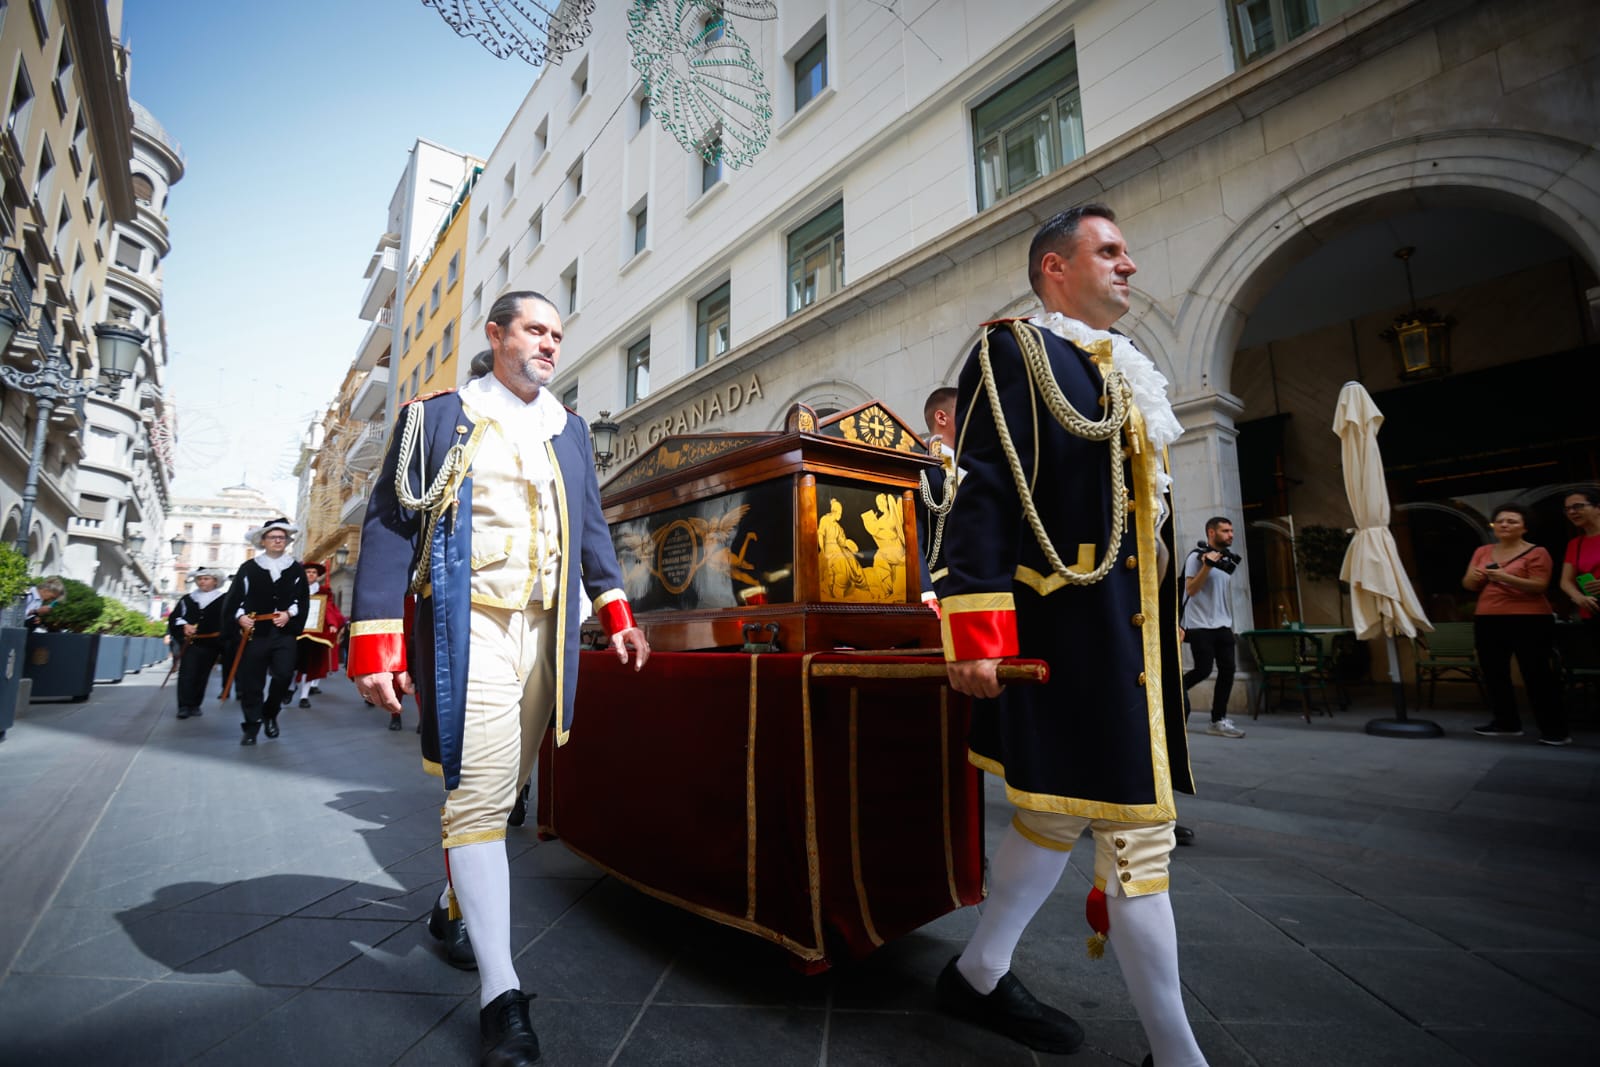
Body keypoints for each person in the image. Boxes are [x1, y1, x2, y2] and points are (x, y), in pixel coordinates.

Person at [349, 291, 650, 1067]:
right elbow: (388, 520)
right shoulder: (438, 416)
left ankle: (453, 910)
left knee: (508, 786)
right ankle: (501, 993)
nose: (550, 343)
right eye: (535, 329)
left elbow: (591, 527)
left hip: (548, 633)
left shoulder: (571, 428)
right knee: (481, 797)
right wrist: (376, 639)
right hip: (469, 623)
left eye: (557, 333)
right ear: (496, 335)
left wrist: (616, 609)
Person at [935, 205, 1205, 1067]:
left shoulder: (1125, 368)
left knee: (1052, 816)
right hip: (1071, 632)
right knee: (1135, 835)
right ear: (1056, 267)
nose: (1129, 264)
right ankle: (1180, 1058)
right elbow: (981, 490)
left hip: (1132, 642)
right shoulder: (1015, 350)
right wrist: (976, 633)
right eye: (1110, 251)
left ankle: (977, 971)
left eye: (1128, 250)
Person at [1463, 503, 1566, 745]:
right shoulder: (1483, 551)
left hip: (1529, 619)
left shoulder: (1537, 552)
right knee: (1494, 673)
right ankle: (1506, 723)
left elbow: (1540, 585)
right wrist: (1474, 577)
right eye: (1499, 521)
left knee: (1537, 673)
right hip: (1488, 618)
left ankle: (1554, 730)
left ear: (1524, 527)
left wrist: (1504, 577)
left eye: (1512, 521)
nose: (1504, 525)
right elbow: (1468, 584)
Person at [223, 519, 310, 746]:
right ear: (263, 541)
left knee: (283, 675)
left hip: (284, 632)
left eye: (281, 537)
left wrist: (289, 615)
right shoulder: (249, 568)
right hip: (256, 632)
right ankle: (251, 726)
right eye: (273, 537)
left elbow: (302, 600)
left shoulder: (295, 568)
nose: (278, 541)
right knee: (252, 681)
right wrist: (240, 617)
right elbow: (235, 598)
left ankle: (270, 712)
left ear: (287, 541)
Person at [1181, 517, 1245, 739]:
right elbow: (1190, 589)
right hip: (1199, 626)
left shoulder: (1226, 560)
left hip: (1223, 624)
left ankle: (1218, 720)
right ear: (1211, 532)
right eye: (1225, 531)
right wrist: (1207, 566)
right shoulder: (1195, 558)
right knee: (1203, 670)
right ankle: (1174, 690)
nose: (1231, 535)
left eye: (1231, 530)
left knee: (1228, 671)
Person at [916, 387, 960, 612]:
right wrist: (926, 590)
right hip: (944, 587)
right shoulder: (921, 469)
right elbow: (914, 534)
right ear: (942, 417)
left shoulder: (976, 466)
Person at [166, 568, 229, 720]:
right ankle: (183, 706)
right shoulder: (187, 599)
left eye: (206, 578)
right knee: (187, 673)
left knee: (202, 674)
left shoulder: (224, 599)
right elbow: (176, 617)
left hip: (211, 643)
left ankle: (195, 704)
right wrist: (184, 626)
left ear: (215, 581)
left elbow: (228, 619)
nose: (202, 581)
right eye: (200, 579)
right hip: (191, 642)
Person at [290, 561, 347, 710]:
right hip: (296, 632)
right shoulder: (294, 589)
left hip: (314, 633)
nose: (311, 575)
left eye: (314, 573)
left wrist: (333, 624)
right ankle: (290, 687)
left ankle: (304, 696)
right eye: (308, 572)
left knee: (310, 665)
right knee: (291, 663)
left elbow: (328, 609)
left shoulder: (323, 592)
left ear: (317, 576)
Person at [1559, 488, 1600, 624]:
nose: (1571, 512)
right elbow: (1566, 581)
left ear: (1598, 507)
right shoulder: (1575, 544)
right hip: (1593, 613)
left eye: (1577, 506)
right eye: (1567, 509)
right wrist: (1578, 597)